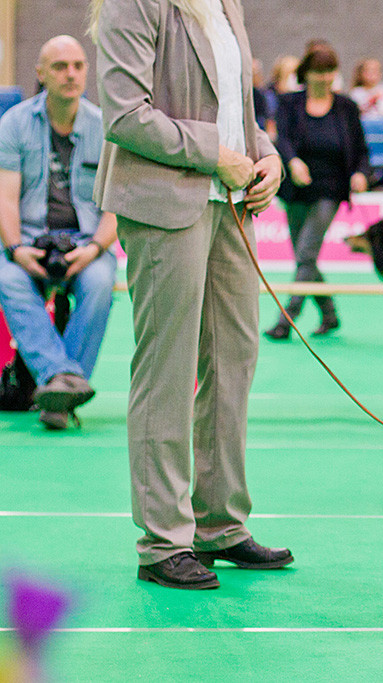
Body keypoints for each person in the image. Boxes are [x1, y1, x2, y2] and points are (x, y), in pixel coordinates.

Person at [90, 0, 292, 590]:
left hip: (230, 205)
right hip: (163, 203)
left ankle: (220, 525)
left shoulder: (227, 4)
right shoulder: (134, 4)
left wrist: (267, 157)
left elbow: (236, 109)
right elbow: (125, 116)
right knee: (167, 369)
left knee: (235, 359)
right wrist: (216, 155)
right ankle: (162, 541)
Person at [0, 35, 117, 431]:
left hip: (87, 243)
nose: (71, 74)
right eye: (60, 66)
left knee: (101, 280)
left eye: (79, 65)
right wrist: (15, 248)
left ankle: (56, 388)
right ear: (41, 74)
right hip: (28, 240)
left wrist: (97, 247)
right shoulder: (14, 123)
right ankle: (63, 381)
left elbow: (117, 204)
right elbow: (6, 198)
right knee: (7, 278)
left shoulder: (105, 127)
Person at [263, 43, 370, 341]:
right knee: (304, 257)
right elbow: (281, 140)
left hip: (331, 190)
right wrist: (293, 161)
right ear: (306, 74)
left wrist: (360, 173)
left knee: (306, 252)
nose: (324, 78)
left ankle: (287, 320)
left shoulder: (346, 107)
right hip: (295, 189)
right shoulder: (289, 103)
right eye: (318, 72)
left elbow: (361, 149)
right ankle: (329, 312)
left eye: (329, 72)